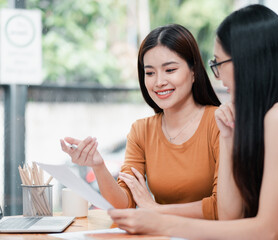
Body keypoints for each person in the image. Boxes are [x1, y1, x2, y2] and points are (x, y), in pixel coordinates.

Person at [107, 4, 278, 239]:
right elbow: (228, 215)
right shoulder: (272, 115)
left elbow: (266, 232)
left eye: (219, 63)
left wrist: (162, 219)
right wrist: (227, 136)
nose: (218, 75)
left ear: (250, 61)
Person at [60, 24, 221, 220]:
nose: (159, 81)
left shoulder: (219, 122)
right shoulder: (142, 130)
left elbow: (223, 206)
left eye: (170, 70)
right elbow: (124, 205)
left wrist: (156, 210)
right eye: (150, 73)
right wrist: (99, 166)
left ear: (194, 71)